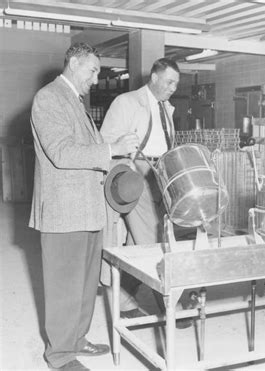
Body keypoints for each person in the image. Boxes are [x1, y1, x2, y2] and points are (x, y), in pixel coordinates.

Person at [29, 42, 139, 371]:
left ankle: (77, 340)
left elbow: (89, 153)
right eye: (92, 70)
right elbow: (62, 153)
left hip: (88, 209)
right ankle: (60, 356)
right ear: (75, 64)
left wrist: (117, 156)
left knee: (86, 283)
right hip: (64, 212)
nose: (95, 78)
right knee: (64, 285)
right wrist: (110, 148)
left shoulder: (75, 102)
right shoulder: (48, 98)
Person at [100, 58, 195, 323]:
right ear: (153, 77)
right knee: (155, 238)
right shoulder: (126, 102)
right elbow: (105, 141)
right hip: (134, 175)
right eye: (169, 81)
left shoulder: (166, 107)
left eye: (176, 82)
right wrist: (123, 152)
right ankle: (172, 304)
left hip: (160, 175)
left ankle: (125, 299)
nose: (173, 87)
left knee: (140, 241)